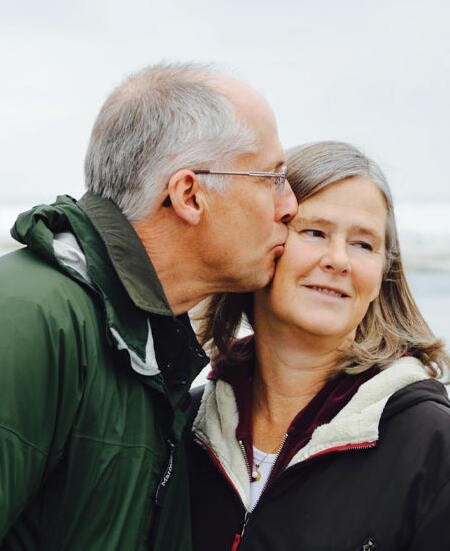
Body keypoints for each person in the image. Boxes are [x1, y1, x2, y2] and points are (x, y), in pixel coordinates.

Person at [0, 62, 297, 550]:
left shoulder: (150, 346)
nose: (290, 206)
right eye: (272, 177)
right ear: (188, 195)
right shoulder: (31, 319)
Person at [187, 141, 450, 551]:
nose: (338, 259)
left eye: (363, 243)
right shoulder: (188, 425)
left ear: (384, 272)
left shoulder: (433, 443)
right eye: (314, 232)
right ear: (265, 242)